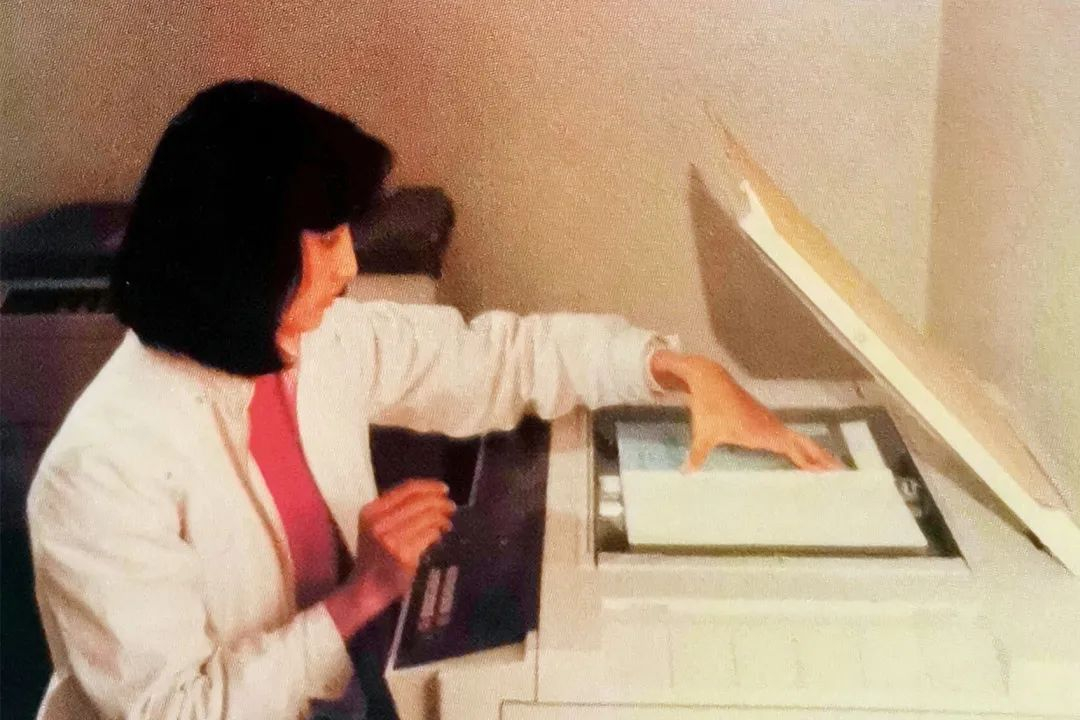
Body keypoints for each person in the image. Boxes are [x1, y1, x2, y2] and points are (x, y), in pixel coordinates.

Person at [27, 80, 839, 720]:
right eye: (326, 239)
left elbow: (495, 359)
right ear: (242, 256)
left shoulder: (312, 340)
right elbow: (178, 711)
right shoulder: (100, 471)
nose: (350, 267)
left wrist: (675, 367)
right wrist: (364, 594)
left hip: (344, 680)